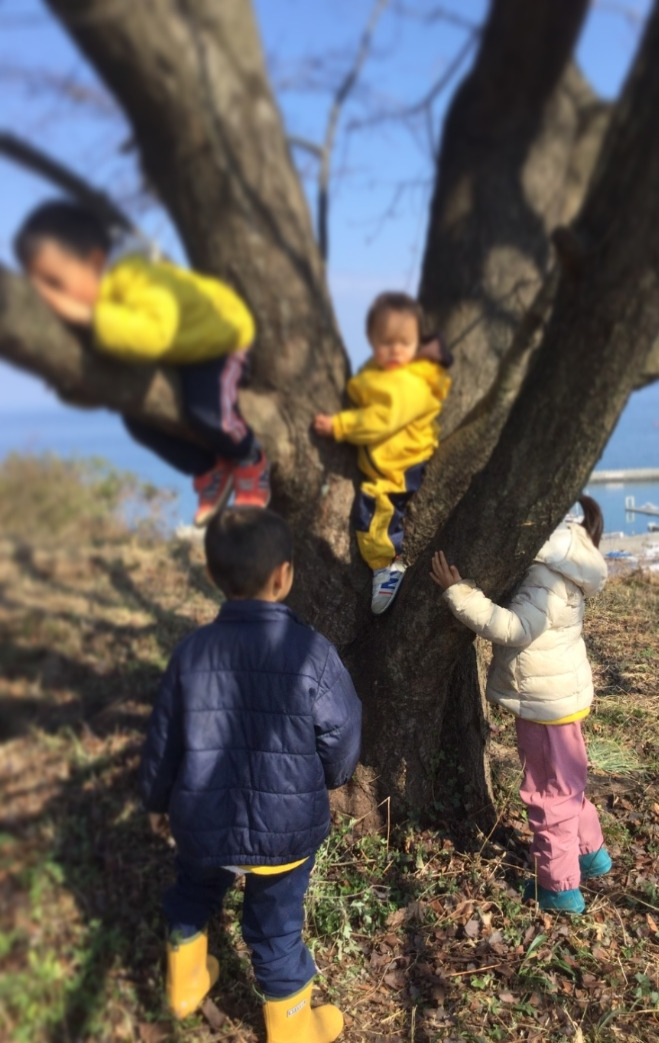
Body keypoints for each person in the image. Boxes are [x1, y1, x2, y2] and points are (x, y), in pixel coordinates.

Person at [139, 507, 361, 1041]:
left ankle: (184, 985)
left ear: (212, 576)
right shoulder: (312, 652)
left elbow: (164, 738)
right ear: (284, 575)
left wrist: (155, 802)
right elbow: (342, 728)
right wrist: (332, 777)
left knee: (193, 893)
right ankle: (291, 1031)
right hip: (284, 830)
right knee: (276, 927)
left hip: (203, 822)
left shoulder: (191, 652)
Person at [14, 199, 270, 527]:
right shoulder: (104, 312)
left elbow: (154, 335)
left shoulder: (139, 276)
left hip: (220, 339)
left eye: (55, 284)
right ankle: (210, 468)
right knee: (137, 421)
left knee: (207, 409)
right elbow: (104, 382)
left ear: (95, 261)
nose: (51, 301)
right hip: (180, 351)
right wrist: (68, 385)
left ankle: (249, 457)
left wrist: (87, 316)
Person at [430, 496, 611, 914]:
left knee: (549, 796)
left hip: (543, 705)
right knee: (567, 785)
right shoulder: (567, 570)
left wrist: (460, 594)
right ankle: (590, 853)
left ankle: (559, 890)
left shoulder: (544, 578)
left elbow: (513, 627)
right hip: (560, 698)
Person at [313, 291, 452, 614]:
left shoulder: (410, 382)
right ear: (372, 340)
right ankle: (388, 562)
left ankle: (386, 566)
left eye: (404, 342)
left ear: (417, 344)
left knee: (374, 514)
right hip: (392, 459)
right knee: (377, 510)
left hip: (400, 465)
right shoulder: (387, 376)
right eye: (385, 342)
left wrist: (339, 426)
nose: (395, 350)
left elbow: (380, 420)